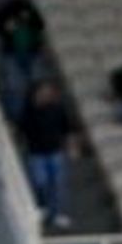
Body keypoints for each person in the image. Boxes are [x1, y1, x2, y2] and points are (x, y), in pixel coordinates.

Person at [21, 82, 78, 228]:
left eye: (47, 93)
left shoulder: (58, 109)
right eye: (42, 93)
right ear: (35, 95)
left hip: (55, 152)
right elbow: (21, 129)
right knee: (40, 182)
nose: (45, 96)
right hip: (36, 154)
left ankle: (59, 214)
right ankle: (43, 206)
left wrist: (72, 147)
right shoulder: (28, 111)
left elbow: (68, 129)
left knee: (57, 185)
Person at [0, 0, 48, 119]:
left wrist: (30, 23)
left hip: (32, 52)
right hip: (12, 53)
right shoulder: (5, 8)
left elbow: (40, 25)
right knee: (16, 87)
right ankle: (17, 118)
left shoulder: (30, 8)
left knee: (36, 84)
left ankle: (34, 116)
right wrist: (7, 27)